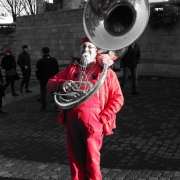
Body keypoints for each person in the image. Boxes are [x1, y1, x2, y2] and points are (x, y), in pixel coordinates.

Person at [46, 37, 124, 180]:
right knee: (75, 159)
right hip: (72, 120)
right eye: (83, 47)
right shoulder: (72, 69)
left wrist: (103, 117)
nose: (85, 50)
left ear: (96, 51)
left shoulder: (105, 72)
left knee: (92, 160)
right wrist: (63, 84)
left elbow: (118, 98)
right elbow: (50, 83)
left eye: (89, 47)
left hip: (94, 121)